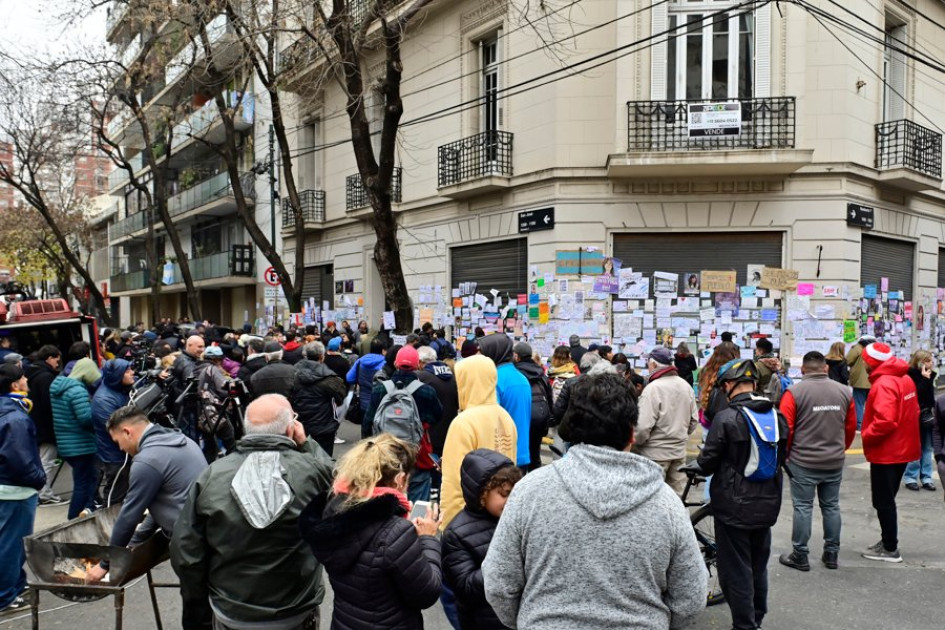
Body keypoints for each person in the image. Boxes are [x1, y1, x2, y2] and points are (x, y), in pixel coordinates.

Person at [482, 373, 706, 629]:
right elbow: (690, 598)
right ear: (632, 434)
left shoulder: (529, 492)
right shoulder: (665, 503)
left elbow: (499, 583)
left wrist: (531, 620)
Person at [171, 394, 334, 630]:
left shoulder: (212, 475)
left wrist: (198, 604)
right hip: (294, 609)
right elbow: (341, 481)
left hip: (232, 609)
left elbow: (186, 551)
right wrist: (307, 443)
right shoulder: (312, 471)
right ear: (290, 429)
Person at [299, 434, 442, 629]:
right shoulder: (395, 532)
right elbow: (427, 593)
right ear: (399, 479)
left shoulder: (332, 510)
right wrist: (427, 539)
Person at [697, 358, 788, 630]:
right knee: (758, 566)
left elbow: (708, 462)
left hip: (733, 506)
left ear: (728, 385)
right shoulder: (777, 416)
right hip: (768, 503)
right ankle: (757, 619)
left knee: (736, 570)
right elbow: (783, 456)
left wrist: (698, 465)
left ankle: (744, 625)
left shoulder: (727, 418)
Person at [85, 406, 207, 585]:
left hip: (191, 542)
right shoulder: (182, 440)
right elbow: (168, 501)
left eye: (117, 441)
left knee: (196, 602)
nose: (120, 448)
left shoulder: (147, 460)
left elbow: (129, 516)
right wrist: (137, 539)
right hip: (205, 530)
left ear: (127, 432)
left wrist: (104, 564)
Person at [777, 351, 857, 572]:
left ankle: (800, 555)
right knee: (831, 505)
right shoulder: (844, 392)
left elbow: (786, 429)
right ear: (826, 368)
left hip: (803, 461)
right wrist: (841, 448)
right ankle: (831, 553)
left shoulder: (793, 392)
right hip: (833, 460)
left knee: (803, 506)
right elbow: (850, 427)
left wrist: (786, 454)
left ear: (802, 370)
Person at [442, 450, 522, 630]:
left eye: (513, 493)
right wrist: (506, 560)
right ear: (482, 494)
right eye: (504, 494)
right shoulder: (456, 534)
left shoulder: (515, 519)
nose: (510, 501)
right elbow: (466, 588)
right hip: (483, 622)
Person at [441, 355, 518, 530]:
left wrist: (448, 524)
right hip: (500, 513)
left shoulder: (464, 422)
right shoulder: (505, 417)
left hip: (468, 520)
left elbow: (453, 481)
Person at [859, 342, 920, 562]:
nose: (863, 363)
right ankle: (887, 540)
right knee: (887, 498)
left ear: (872, 362)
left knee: (883, 501)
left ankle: (890, 547)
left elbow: (885, 421)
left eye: (865, 360)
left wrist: (865, 434)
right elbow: (913, 411)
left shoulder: (883, 384)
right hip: (903, 447)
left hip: (887, 452)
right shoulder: (905, 379)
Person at [363, 346, 442, 502]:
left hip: (385, 453)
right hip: (417, 453)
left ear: (395, 364)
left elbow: (368, 421)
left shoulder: (380, 389)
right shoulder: (426, 391)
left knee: (386, 496)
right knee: (418, 499)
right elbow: (437, 415)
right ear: (418, 365)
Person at [0, 364, 45, 613]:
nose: (27, 379)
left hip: (8, 487)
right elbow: (19, 460)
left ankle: (15, 586)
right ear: (15, 385)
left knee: (10, 542)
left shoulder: (9, 410)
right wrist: (39, 478)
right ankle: (5, 596)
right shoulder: (14, 416)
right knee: (11, 544)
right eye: (23, 377)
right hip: (16, 489)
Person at [633, 347, 699, 494]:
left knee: (651, 499)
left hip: (654, 455)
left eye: (648, 364)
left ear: (654, 365)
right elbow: (694, 420)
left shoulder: (653, 389)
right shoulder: (685, 386)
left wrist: (637, 444)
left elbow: (642, 427)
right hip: (678, 453)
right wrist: (679, 436)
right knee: (677, 500)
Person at [50, 362, 97, 519]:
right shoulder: (77, 391)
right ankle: (73, 519)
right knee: (83, 483)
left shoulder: (58, 388)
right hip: (81, 444)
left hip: (66, 444)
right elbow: (85, 418)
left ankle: (87, 510)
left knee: (84, 480)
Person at [477, 335, 531, 469]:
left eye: (482, 353)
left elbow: (490, 420)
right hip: (521, 452)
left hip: (501, 456)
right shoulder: (521, 378)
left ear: (493, 353)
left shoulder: (494, 379)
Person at [292, 341, 347, 456]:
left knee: (304, 461)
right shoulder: (330, 379)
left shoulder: (293, 374)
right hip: (324, 426)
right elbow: (341, 398)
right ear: (322, 357)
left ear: (305, 355)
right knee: (324, 461)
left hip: (300, 425)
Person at [92, 359, 135, 505]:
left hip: (123, 453)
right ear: (118, 375)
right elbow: (116, 430)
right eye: (128, 371)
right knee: (114, 497)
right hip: (116, 456)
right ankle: (109, 524)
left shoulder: (119, 389)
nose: (132, 373)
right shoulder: (103, 400)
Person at [26, 345, 63, 505]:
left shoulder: (32, 373)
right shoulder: (46, 377)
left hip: (35, 423)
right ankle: (44, 493)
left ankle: (42, 491)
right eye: (56, 359)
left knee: (41, 459)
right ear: (49, 358)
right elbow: (49, 404)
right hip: (45, 426)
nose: (57, 363)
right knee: (47, 460)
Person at [416, 345, 459, 472]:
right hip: (449, 432)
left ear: (420, 363)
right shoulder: (452, 376)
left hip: (429, 436)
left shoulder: (421, 377)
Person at [512, 342, 553, 471]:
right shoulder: (541, 373)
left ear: (517, 357)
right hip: (538, 418)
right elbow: (549, 398)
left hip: (520, 418)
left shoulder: (514, 373)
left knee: (519, 456)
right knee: (535, 455)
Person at [904, 350, 936, 491]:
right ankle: (911, 477)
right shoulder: (909, 376)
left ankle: (926, 477)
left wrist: (927, 379)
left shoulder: (929, 376)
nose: (932, 363)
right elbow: (915, 394)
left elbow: (930, 398)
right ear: (921, 363)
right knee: (915, 447)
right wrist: (924, 379)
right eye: (928, 360)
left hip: (927, 415)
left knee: (928, 447)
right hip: (914, 415)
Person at [346, 337, 388, 430]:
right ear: (383, 350)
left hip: (364, 402)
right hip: (381, 403)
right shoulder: (385, 363)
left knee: (365, 430)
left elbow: (349, 378)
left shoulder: (360, 361)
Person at [698, 342, 740, 428]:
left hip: (708, 421)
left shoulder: (705, 371)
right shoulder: (735, 373)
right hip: (730, 423)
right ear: (734, 355)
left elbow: (701, 392)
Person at [846, 335, 875, 430]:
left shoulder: (858, 348)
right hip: (873, 380)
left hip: (860, 381)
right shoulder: (875, 349)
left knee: (858, 403)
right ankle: (871, 423)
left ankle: (859, 425)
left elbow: (848, 360)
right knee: (872, 404)